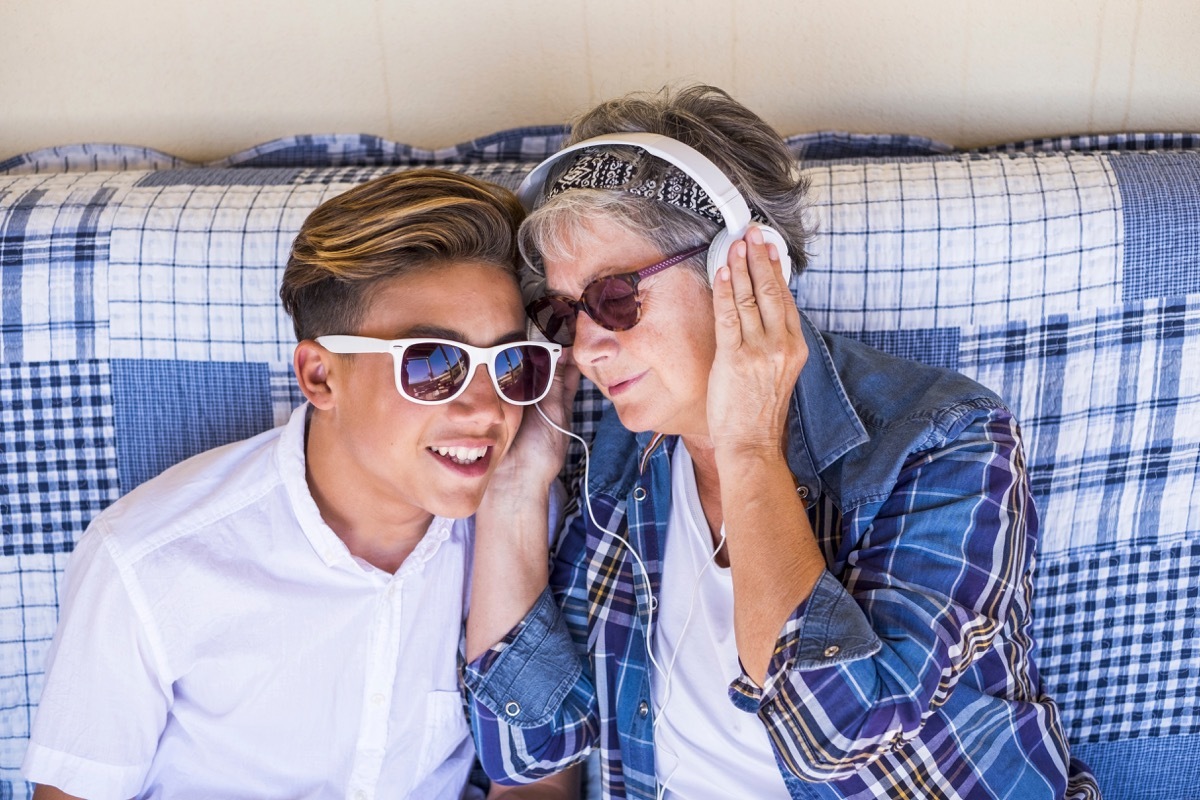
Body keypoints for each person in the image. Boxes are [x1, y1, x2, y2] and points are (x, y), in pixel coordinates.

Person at [463, 86, 1101, 799]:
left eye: (616, 298)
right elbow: (528, 760)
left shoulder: (944, 440)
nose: (586, 348)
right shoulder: (617, 456)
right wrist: (516, 492)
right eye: (564, 311)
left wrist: (747, 450)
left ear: (743, 266)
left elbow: (835, 736)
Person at [22, 169, 578, 800]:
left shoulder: (522, 512)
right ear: (319, 376)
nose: (487, 410)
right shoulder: (148, 561)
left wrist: (515, 501)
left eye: (510, 363)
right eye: (431, 363)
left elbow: (537, 782)